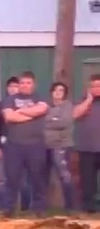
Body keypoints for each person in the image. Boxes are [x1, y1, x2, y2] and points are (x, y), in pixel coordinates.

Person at [0, 71, 49, 217]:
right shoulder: (10, 99)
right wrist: (31, 114)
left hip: (36, 145)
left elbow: (42, 109)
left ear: (34, 84)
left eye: (28, 83)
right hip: (14, 145)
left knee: (37, 178)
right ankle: (9, 209)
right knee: (12, 178)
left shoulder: (39, 97)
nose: (25, 85)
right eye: (22, 83)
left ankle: (39, 209)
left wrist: (20, 112)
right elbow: (9, 116)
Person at [45, 82, 76, 213]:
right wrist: (53, 120)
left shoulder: (67, 106)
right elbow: (41, 122)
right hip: (45, 146)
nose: (58, 92)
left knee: (65, 176)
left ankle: (70, 207)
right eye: (55, 90)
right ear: (51, 92)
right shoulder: (46, 106)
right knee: (43, 177)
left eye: (61, 90)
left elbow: (64, 122)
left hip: (61, 146)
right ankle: (41, 207)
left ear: (64, 94)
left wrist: (49, 121)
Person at [0, 77, 20, 211]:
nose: (13, 89)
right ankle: (1, 206)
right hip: (4, 145)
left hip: (22, 146)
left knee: (23, 179)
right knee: (3, 177)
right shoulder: (1, 105)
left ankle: (24, 207)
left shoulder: (27, 105)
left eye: (16, 86)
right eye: (11, 86)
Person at [73, 74, 100, 213]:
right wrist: (89, 100)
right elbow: (75, 114)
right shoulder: (81, 100)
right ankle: (89, 209)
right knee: (88, 181)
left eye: (98, 86)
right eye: (93, 86)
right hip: (86, 148)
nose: (96, 89)